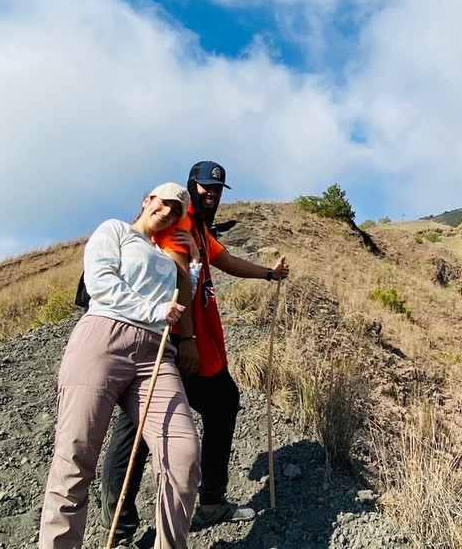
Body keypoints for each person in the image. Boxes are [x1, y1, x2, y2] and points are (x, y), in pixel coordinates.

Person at [100, 161, 290, 542]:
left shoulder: (199, 229)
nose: (211, 194)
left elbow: (227, 261)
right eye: (204, 187)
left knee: (220, 404)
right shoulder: (180, 224)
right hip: (169, 346)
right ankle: (120, 530)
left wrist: (270, 274)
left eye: (217, 189)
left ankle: (209, 502)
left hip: (197, 350)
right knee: (136, 430)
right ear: (192, 187)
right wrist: (185, 341)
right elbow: (176, 279)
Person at [39, 183, 201, 549]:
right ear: (148, 200)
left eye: (178, 211)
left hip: (156, 354)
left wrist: (191, 264)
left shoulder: (165, 256)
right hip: (103, 338)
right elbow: (100, 282)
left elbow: (179, 297)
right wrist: (154, 311)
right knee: (76, 454)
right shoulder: (115, 230)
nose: (170, 213)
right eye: (166, 204)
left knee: (183, 453)